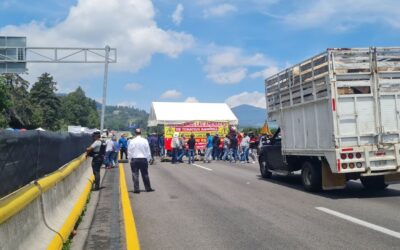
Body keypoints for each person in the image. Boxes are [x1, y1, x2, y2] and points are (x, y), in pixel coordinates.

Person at [128, 128, 155, 193]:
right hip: (143, 159)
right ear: (141, 133)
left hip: (135, 159)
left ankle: (136, 189)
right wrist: (149, 159)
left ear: (135, 133)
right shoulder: (145, 140)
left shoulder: (132, 141)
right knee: (145, 174)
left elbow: (129, 151)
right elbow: (148, 151)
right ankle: (148, 188)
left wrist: (129, 159)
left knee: (135, 174)